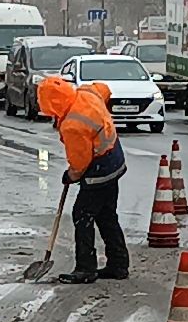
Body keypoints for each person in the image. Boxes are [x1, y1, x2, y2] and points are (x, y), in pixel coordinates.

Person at [35, 75, 127, 284]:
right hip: (116, 159)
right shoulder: (87, 92)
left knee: (82, 214)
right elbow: (104, 88)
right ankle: (118, 265)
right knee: (106, 215)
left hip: (99, 169)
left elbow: (80, 163)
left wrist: (70, 175)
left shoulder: (73, 125)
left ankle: (86, 269)